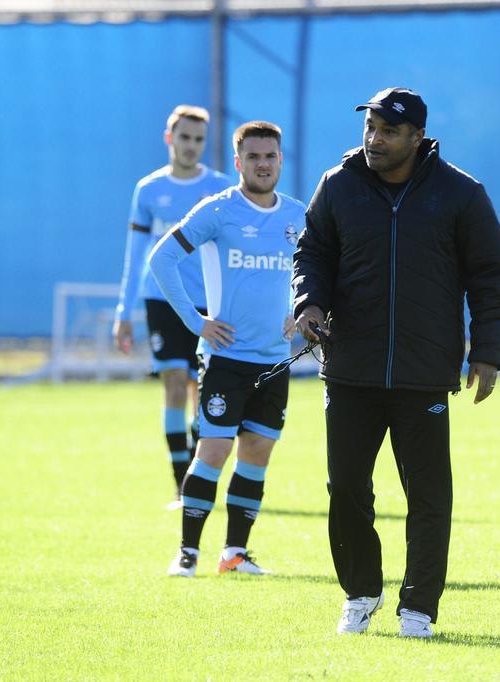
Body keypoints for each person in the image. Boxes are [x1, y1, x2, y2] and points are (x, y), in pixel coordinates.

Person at [292, 88, 500, 637]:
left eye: (389, 131)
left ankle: (418, 607)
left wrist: (486, 351)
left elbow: (490, 276)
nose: (374, 138)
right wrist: (309, 302)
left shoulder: (460, 194)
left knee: (429, 496)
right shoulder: (337, 186)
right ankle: (360, 593)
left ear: (417, 137)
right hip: (350, 368)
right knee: (345, 489)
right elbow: (312, 252)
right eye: (370, 126)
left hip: (423, 373)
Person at [148, 121, 302, 577]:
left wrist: (305, 308)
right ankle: (187, 554)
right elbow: (162, 258)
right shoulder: (218, 210)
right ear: (238, 162)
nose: (262, 164)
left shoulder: (298, 216)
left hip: (276, 359)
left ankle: (234, 553)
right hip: (226, 359)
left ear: (280, 160)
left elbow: (315, 270)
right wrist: (196, 322)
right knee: (213, 452)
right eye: (253, 157)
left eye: (270, 156)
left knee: (257, 452)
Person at [113, 105, 230, 508]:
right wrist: (122, 313)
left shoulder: (219, 187)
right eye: (184, 137)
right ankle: (181, 485)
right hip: (160, 298)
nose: (191, 146)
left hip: (206, 301)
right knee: (174, 383)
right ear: (169, 138)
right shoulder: (148, 190)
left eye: (198, 139)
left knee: (203, 390)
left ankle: (198, 479)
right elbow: (136, 253)